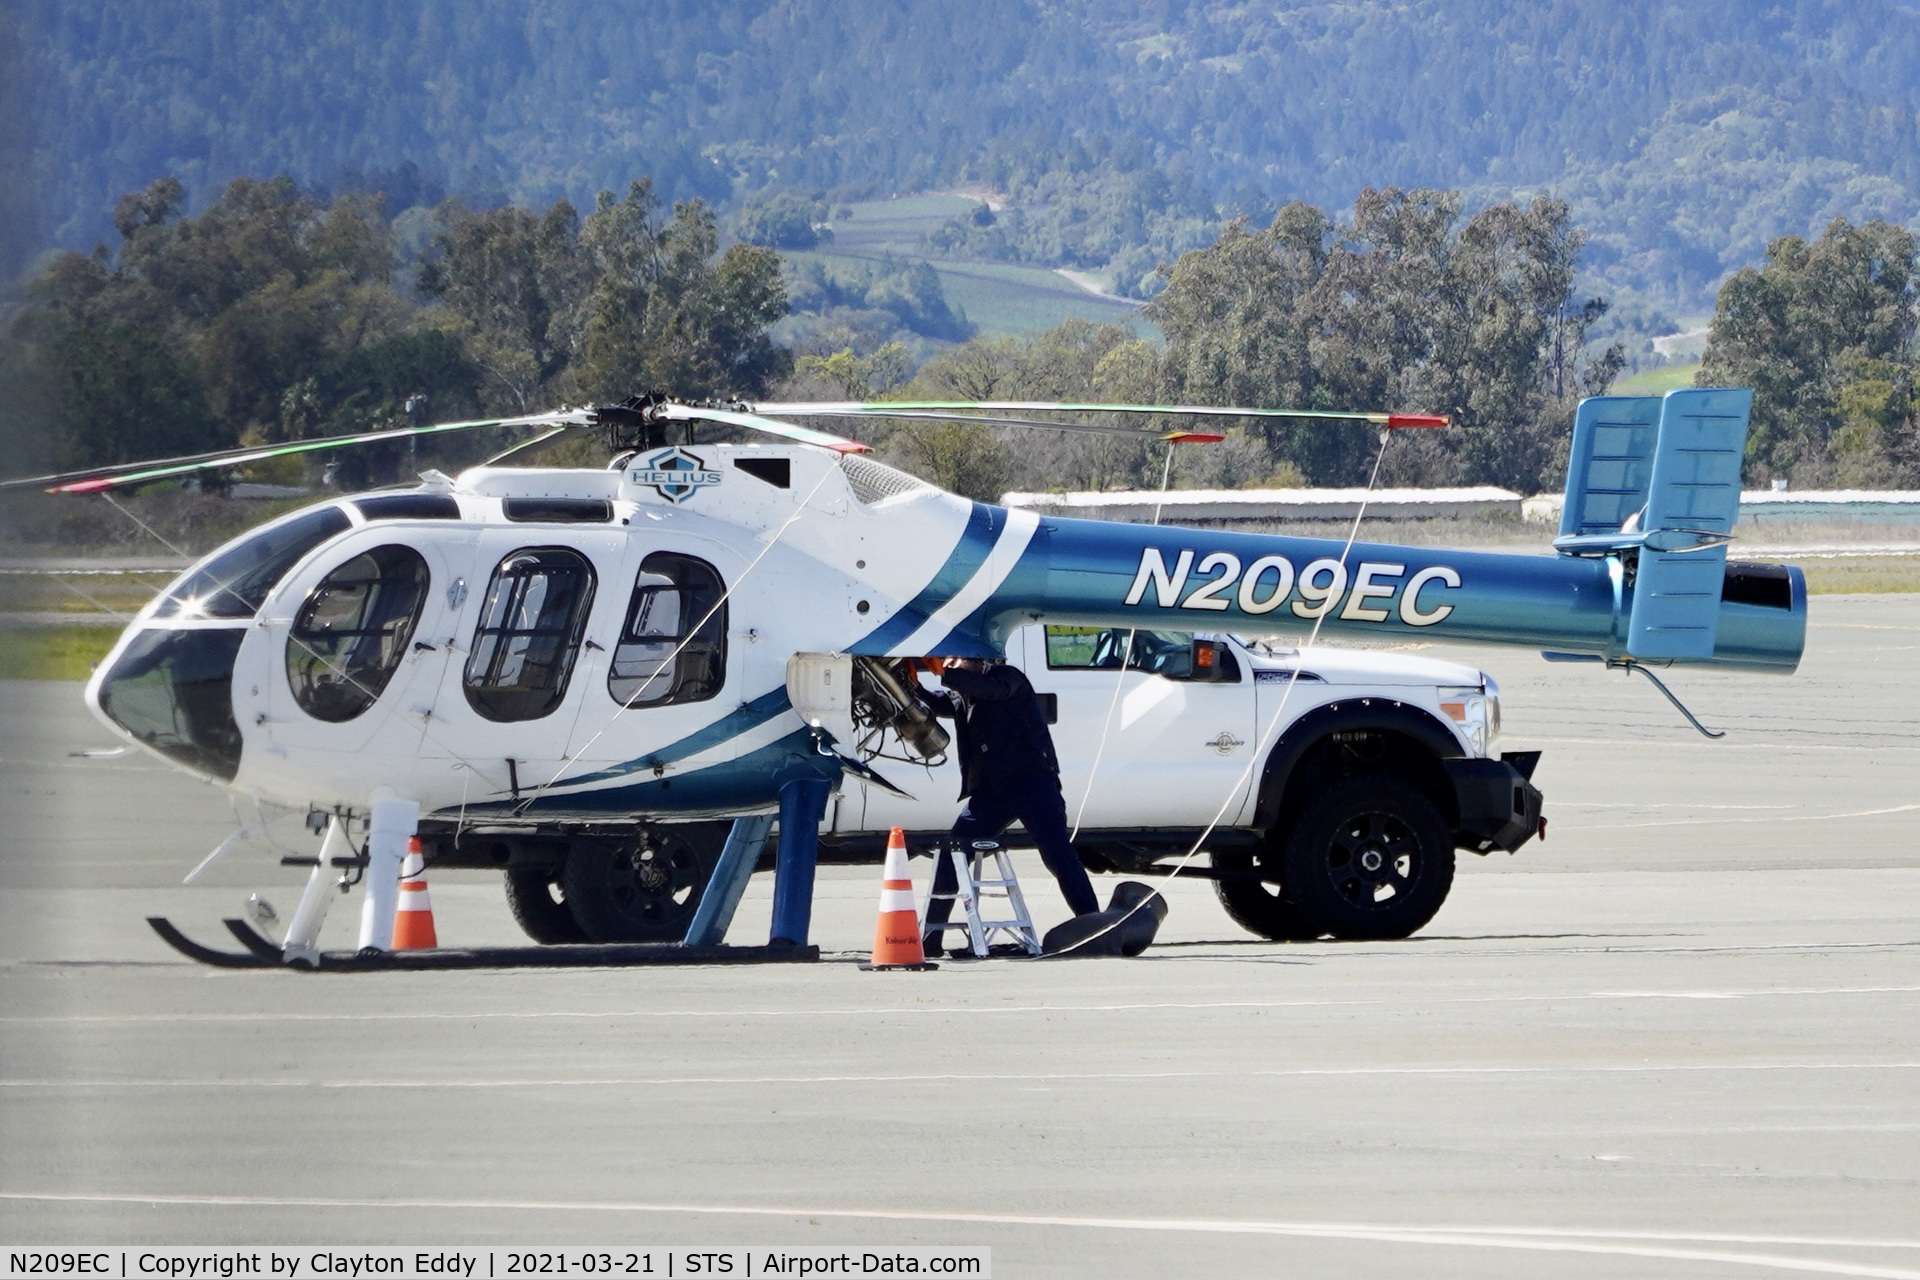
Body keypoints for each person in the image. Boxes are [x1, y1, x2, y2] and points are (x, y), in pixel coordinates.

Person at [915, 655, 1099, 952]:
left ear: (979, 661)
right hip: (994, 791)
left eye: (957, 660)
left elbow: (989, 690)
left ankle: (1094, 924)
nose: (951, 664)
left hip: (1032, 783)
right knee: (953, 851)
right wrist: (909, 680)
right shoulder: (966, 692)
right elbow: (936, 701)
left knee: (1058, 855)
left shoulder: (1009, 679)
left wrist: (943, 673)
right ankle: (931, 937)